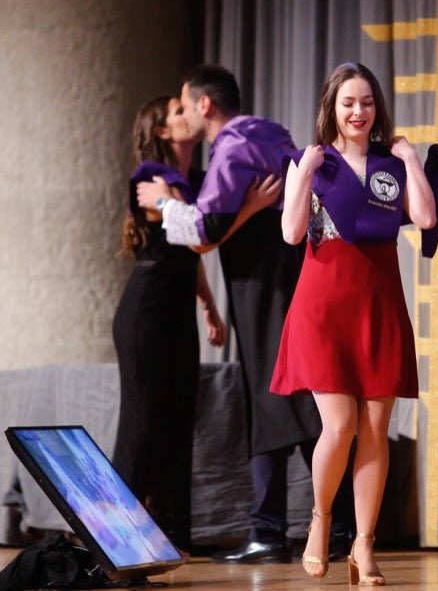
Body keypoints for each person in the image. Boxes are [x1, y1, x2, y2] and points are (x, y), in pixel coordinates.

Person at [136, 65, 354, 564]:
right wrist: (251, 209)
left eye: (186, 105)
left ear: (204, 106)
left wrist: (167, 205)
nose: (186, 113)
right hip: (291, 277)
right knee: (289, 398)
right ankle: (306, 525)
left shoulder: (232, 146)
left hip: (263, 286)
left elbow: (207, 228)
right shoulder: (269, 132)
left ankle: (282, 529)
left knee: (281, 397)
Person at [269, 62, 436, 586]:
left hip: (379, 305)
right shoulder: (313, 162)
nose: (358, 111)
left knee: (376, 430)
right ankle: (321, 522)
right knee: (339, 427)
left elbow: (428, 219)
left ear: (377, 108)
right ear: (332, 109)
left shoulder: (392, 161)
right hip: (323, 308)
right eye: (348, 103)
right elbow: (293, 234)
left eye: (366, 102)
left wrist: (411, 159)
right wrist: (303, 175)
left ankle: (364, 544)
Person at [111, 94, 227, 552]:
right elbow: (196, 238)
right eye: (179, 112)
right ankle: (112, 537)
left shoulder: (192, 181)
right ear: (162, 131)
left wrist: (209, 307)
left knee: (178, 423)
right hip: (147, 314)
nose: (189, 115)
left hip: (178, 313)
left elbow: (192, 248)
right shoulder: (151, 179)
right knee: (144, 424)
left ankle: (170, 536)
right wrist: (244, 208)